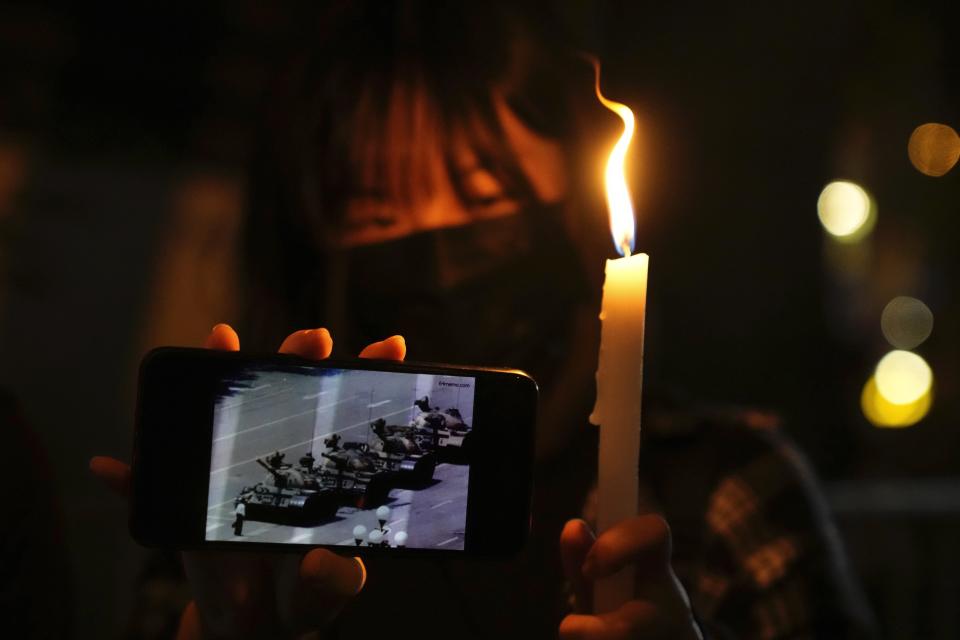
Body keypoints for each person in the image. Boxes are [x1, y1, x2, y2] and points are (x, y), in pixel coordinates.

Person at [94, 2, 875, 638]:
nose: (438, 248)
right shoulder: (255, 497)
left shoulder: (726, 492)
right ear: (314, 237)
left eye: (478, 192)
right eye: (380, 209)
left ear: (565, 203)